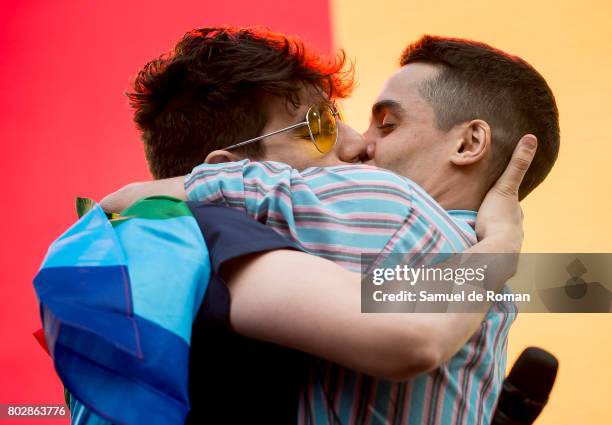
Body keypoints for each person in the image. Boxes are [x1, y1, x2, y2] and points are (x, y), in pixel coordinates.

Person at [101, 27, 559, 424]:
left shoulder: (394, 207)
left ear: (469, 143)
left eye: (388, 123)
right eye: (316, 126)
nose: (359, 143)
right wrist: (502, 242)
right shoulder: (468, 258)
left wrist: (154, 192)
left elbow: (413, 337)